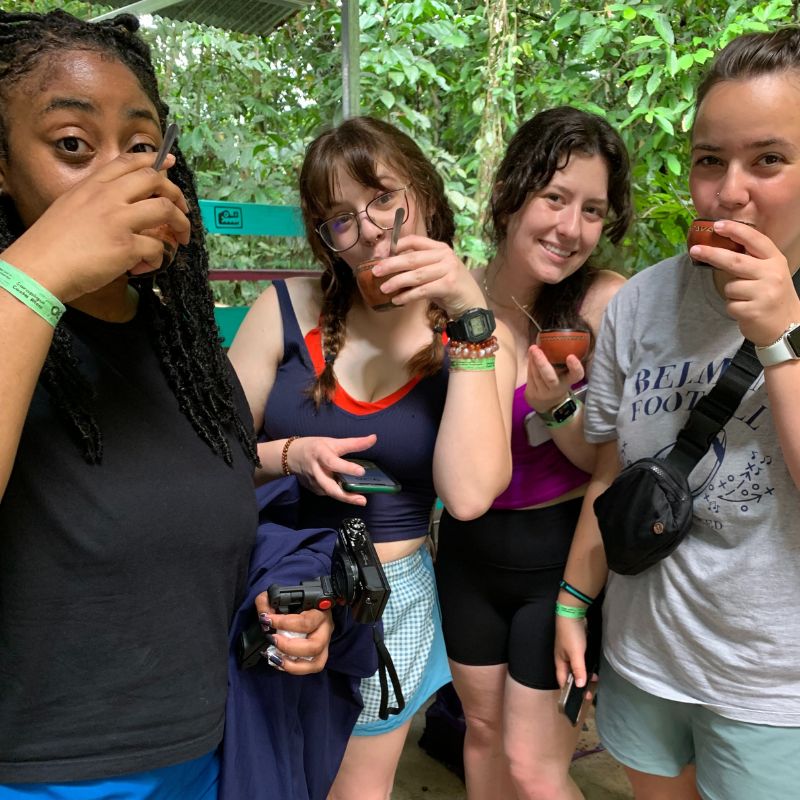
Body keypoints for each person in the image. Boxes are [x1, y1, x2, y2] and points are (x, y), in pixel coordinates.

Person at [0, 10, 331, 797]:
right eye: (73, 147)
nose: (125, 178)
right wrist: (36, 274)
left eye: (143, 147)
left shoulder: (181, 346)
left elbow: (185, 527)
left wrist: (283, 611)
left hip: (205, 756)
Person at [228, 115, 515, 799]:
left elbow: (470, 494)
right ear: (325, 238)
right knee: (264, 772)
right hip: (276, 582)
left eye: (385, 198)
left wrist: (469, 311)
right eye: (341, 218)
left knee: (356, 790)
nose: (371, 230)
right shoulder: (284, 309)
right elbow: (210, 454)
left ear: (423, 191)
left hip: (388, 597)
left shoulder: (476, 331)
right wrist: (290, 453)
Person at [556, 28, 800, 800]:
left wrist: (779, 340)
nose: (729, 192)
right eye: (709, 160)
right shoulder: (641, 302)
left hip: (771, 690)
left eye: (768, 160)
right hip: (646, 657)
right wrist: (573, 601)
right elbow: (614, 472)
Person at [435, 106, 632, 800]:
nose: (570, 228)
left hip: (559, 557)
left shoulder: (605, 306)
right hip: (467, 555)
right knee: (481, 738)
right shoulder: (456, 298)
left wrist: (558, 407)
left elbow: (606, 464)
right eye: (555, 198)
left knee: (535, 766)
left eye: (592, 210)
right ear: (513, 192)